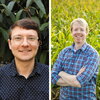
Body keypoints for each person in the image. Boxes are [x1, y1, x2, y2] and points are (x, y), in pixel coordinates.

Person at [0, 18, 49, 100]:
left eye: (31, 38)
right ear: (10, 44)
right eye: (18, 38)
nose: (25, 44)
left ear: (38, 43)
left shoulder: (49, 75)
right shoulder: (1, 76)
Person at [51, 18, 99, 100]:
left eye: (82, 29)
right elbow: (53, 78)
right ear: (71, 32)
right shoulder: (64, 52)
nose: (78, 32)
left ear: (86, 32)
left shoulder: (93, 54)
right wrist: (75, 77)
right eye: (76, 29)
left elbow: (79, 83)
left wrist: (61, 73)